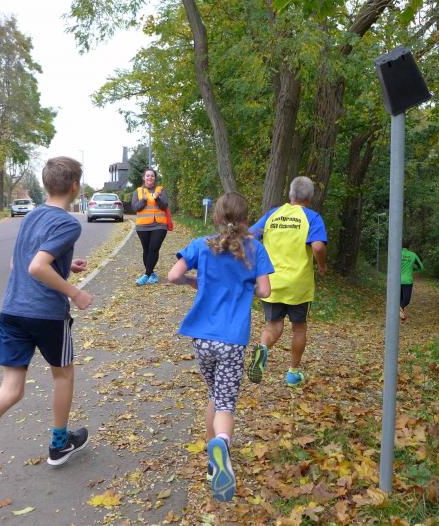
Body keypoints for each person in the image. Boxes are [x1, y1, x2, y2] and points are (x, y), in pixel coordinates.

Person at [0, 157, 93, 523]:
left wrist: (65, 266)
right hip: (46, 314)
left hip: (12, 310)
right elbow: (37, 266)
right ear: (74, 187)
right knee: (63, 374)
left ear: (46, 184)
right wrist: (74, 292)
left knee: (9, 389)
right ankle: (59, 444)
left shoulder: (31, 216)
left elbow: (18, 264)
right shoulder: (68, 223)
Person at [167, 193, 273, 502]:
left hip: (202, 336)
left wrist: (193, 282)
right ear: (246, 220)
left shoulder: (201, 245)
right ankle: (222, 443)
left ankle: (213, 462)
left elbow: (173, 276)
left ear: (215, 218)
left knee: (214, 393)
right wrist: (244, 285)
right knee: (225, 402)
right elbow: (265, 291)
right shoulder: (255, 249)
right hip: (232, 338)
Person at [247, 176, 327, 387]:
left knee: (273, 325)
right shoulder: (312, 218)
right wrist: (322, 266)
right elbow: (318, 246)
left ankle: (263, 349)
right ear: (309, 197)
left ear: (291, 194)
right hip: (299, 285)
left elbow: (249, 237)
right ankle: (293, 373)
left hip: (271, 281)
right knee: (299, 327)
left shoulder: (272, 215)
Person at [132, 167, 169, 285]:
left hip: (159, 225)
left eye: (152, 175)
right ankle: (151, 273)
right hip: (142, 226)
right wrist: (143, 200)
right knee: (147, 250)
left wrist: (157, 199)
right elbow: (135, 208)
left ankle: (146, 275)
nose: (150, 177)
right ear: (144, 178)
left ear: (155, 178)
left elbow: (164, 206)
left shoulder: (160, 190)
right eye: (147, 175)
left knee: (154, 248)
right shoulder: (138, 191)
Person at [399, 242, 424, 322]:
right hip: (407, 281)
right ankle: (399, 311)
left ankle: (401, 315)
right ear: (408, 247)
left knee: (399, 300)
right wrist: (414, 268)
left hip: (396, 281)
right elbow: (421, 267)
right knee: (406, 300)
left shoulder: (397, 253)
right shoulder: (413, 255)